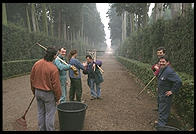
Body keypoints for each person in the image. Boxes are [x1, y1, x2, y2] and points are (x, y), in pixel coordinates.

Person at [30, 46, 62, 131]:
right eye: (56, 55)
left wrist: (34, 91)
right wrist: (58, 98)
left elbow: (32, 79)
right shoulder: (53, 68)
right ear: (54, 56)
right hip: (48, 94)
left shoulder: (37, 64)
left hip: (37, 92)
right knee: (49, 114)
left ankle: (41, 129)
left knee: (40, 112)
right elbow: (56, 86)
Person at [155, 55, 182, 130]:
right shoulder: (162, 69)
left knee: (163, 111)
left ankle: (161, 127)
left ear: (167, 63)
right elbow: (161, 80)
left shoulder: (169, 71)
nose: (161, 63)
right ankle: (161, 124)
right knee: (161, 110)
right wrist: (159, 87)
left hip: (165, 96)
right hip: (161, 94)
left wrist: (172, 91)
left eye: (163, 62)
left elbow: (178, 81)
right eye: (160, 62)